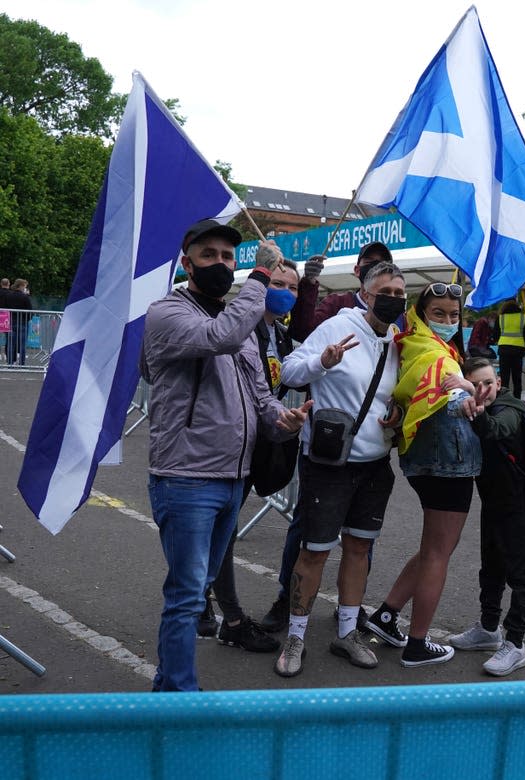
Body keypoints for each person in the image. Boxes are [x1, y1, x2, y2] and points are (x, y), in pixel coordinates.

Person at [140, 218, 311, 692]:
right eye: (209, 254)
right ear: (186, 262)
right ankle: (177, 691)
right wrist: (259, 278)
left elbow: (260, 398)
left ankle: (168, 683)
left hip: (233, 478)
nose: (221, 263)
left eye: (228, 257)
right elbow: (221, 337)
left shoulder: (239, 323)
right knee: (188, 593)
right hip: (186, 477)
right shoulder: (167, 314)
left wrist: (285, 421)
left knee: (198, 588)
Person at [273, 263, 406, 677]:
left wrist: (398, 414)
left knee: (359, 550)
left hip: (375, 465)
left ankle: (347, 632)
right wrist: (323, 363)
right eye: (385, 291)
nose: (394, 299)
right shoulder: (336, 326)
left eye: (401, 294)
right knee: (314, 552)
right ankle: (295, 636)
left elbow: (398, 393)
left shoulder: (399, 342)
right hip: (329, 465)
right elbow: (290, 368)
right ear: (364, 295)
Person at [365, 282, 485, 667]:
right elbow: (451, 393)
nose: (449, 321)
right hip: (448, 462)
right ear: (420, 312)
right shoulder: (437, 355)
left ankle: (386, 615)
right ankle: (417, 643)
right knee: (439, 553)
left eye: (454, 315)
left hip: (423, 460)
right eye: (440, 314)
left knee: (434, 548)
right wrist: (468, 390)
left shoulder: (412, 342)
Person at [197, 259, 301, 653]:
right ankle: (217, 610)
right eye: (278, 282)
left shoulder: (279, 330)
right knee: (220, 530)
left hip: (260, 438)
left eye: (292, 287)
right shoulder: (243, 325)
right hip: (233, 442)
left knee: (224, 530)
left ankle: (215, 606)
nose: (286, 292)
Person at [447, 357, 525, 676]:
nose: (483, 390)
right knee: (492, 568)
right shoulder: (477, 404)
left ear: (499, 382)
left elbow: (499, 429)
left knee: (521, 574)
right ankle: (488, 629)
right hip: (493, 502)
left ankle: (516, 643)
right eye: (476, 384)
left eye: (487, 383)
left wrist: (478, 408)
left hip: (517, 504)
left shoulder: (511, 408)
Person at [287, 241, 393, 342]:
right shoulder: (337, 304)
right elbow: (303, 332)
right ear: (357, 270)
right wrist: (308, 282)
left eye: (382, 264)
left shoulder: (396, 312)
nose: (376, 268)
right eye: (369, 262)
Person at [495, 299, 525, 399]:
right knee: (517, 379)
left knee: (504, 379)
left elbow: (495, 335)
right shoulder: (523, 318)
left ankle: (503, 400)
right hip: (518, 352)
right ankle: (517, 401)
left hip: (504, 351)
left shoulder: (500, 318)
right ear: (517, 305)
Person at [6, 279, 32, 366]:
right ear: (20, 286)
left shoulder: (9, 296)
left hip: (11, 322)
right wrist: (27, 319)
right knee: (22, 345)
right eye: (25, 286)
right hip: (22, 323)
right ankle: (22, 363)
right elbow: (30, 311)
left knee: (11, 344)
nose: (25, 288)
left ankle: (10, 363)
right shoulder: (25, 297)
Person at [0, 278, 10, 361]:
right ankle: (7, 354)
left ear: (1, 284)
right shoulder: (10, 294)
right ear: (8, 284)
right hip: (7, 317)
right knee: (8, 337)